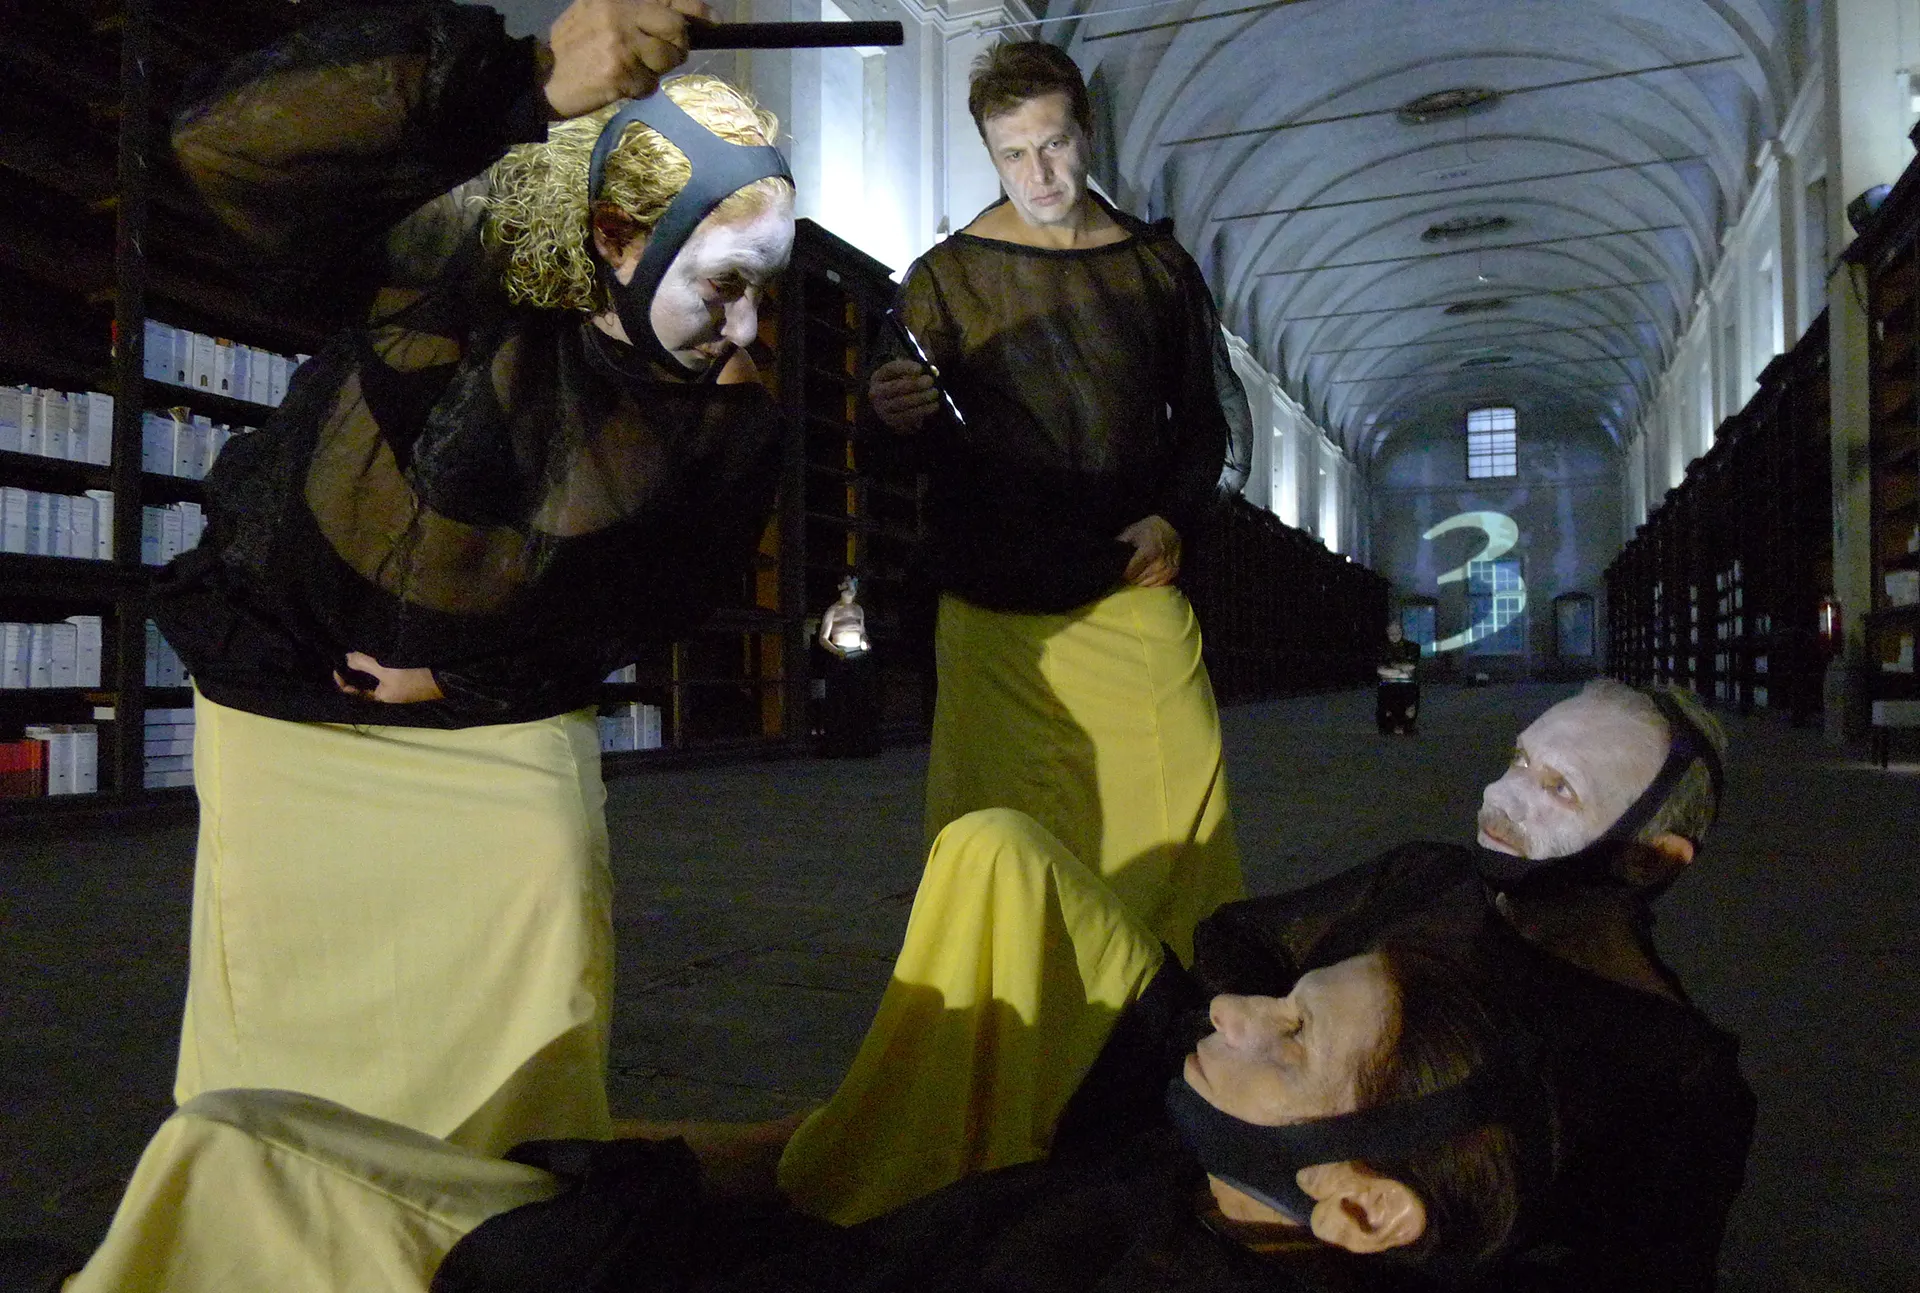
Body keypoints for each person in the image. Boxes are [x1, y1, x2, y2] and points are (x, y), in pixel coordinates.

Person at [151, 0, 796, 1155]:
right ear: (617, 237)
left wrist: (464, 682)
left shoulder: (728, 412)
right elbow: (224, 142)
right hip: (289, 713)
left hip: (502, 735)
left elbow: (649, 607)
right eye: (726, 281)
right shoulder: (474, 255)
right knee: (282, 1036)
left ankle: (501, 1224)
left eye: (769, 286)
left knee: (524, 1016)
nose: (748, 325)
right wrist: (532, 78)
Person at [54, 937, 1552, 1293]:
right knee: (245, 1139)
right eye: (1277, 994)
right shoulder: (1204, 1188)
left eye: (1291, 1040)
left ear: (1364, 1204)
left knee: (233, 1149)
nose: (1233, 1013)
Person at [865, 40, 1253, 967]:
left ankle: (1171, 1000)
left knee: (1179, 801)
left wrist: (1173, 516)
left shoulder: (1156, 266)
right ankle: (1019, 998)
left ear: (1087, 133)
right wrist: (885, 410)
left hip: (1131, 575)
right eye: (1013, 153)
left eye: (1053, 144)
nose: (1037, 173)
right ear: (990, 155)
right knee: (998, 823)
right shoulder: (946, 277)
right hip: (996, 595)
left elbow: (1209, 422)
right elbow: (890, 441)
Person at [1184, 680, 1753, 1290]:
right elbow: (1241, 940)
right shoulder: (1431, 880)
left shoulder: (1678, 1076)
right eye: (1519, 760)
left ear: (1650, 858)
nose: (1499, 795)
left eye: (1561, 788)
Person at [1375, 620, 1421, 735]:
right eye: (1392, 633)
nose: (1395, 636)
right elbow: (1380, 670)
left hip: (1408, 684)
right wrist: (1401, 670)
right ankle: (1391, 725)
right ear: (1387, 633)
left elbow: (1411, 666)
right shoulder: (1381, 648)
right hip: (1387, 683)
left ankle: (1406, 725)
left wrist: (1391, 666)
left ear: (1402, 632)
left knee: (1409, 705)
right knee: (1386, 705)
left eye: (1397, 633)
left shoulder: (1413, 647)